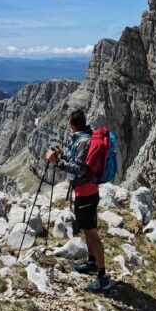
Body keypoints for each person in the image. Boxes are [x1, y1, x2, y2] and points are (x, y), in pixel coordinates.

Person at [47, 108, 111, 292]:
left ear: (71, 124)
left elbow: (80, 169)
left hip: (87, 193)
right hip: (85, 192)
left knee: (91, 232)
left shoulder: (83, 140)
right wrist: (62, 155)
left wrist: (56, 162)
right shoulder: (84, 137)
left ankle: (102, 276)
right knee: (86, 229)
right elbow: (78, 161)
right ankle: (92, 263)